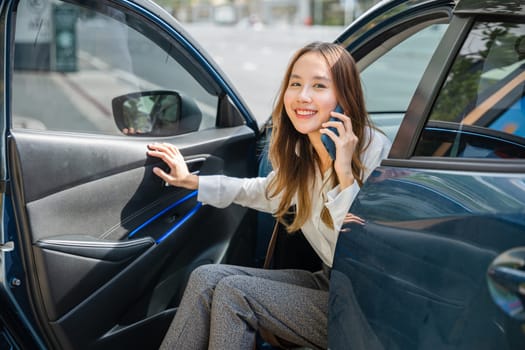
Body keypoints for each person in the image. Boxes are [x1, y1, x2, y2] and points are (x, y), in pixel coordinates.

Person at [147, 41, 391, 350]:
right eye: (295, 84)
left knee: (235, 294)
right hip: (330, 282)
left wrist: (341, 172)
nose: (302, 96)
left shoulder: (371, 150)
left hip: (366, 306)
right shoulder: (305, 152)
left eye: (318, 86)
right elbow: (262, 191)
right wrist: (192, 181)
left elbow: (360, 248)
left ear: (344, 96)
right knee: (206, 278)